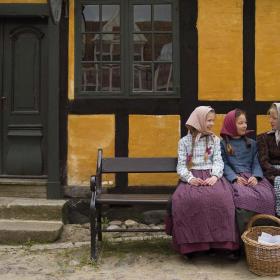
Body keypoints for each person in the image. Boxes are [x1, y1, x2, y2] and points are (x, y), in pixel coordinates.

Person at [169, 106, 239, 259]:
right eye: (209, 121)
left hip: (211, 176)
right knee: (185, 200)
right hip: (192, 176)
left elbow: (219, 162)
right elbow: (181, 165)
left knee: (223, 199)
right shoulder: (184, 142)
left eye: (213, 121)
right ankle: (191, 246)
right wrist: (190, 178)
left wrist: (215, 176)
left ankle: (223, 245)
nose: (212, 124)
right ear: (199, 120)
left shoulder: (214, 140)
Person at [220, 109, 275, 233]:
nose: (244, 125)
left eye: (245, 122)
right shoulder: (223, 145)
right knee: (243, 198)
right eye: (240, 123)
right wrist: (234, 178)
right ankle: (244, 239)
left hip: (252, 176)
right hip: (235, 178)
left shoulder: (252, 143)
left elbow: (256, 162)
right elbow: (224, 164)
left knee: (268, 196)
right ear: (231, 124)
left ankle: (264, 235)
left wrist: (256, 177)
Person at [257, 103, 280, 217]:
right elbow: (263, 162)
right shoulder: (264, 138)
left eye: (275, 118)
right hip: (271, 173)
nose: (271, 120)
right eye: (270, 117)